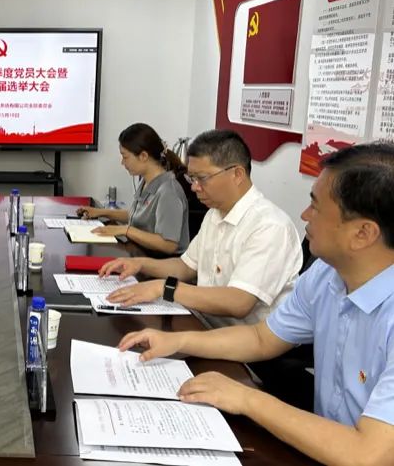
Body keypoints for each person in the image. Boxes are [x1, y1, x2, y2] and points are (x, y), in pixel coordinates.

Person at [117, 142, 394, 466]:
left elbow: (369, 454)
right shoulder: (326, 275)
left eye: (316, 207)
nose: (304, 215)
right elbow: (262, 338)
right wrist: (178, 341)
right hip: (321, 446)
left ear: (363, 233)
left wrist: (247, 398)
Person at [99, 129, 301, 328]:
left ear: (237, 174)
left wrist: (164, 288)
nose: (194, 187)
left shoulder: (269, 226)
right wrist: (139, 264)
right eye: (192, 179)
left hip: (241, 340)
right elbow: (185, 267)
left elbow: (238, 302)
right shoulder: (215, 213)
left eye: (202, 178)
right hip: (203, 322)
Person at [77, 123, 190, 255]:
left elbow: (168, 245)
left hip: (161, 261)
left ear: (143, 156)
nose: (122, 162)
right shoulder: (146, 181)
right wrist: (100, 212)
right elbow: (136, 217)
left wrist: (126, 230)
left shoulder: (169, 191)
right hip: (140, 253)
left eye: (125, 157)